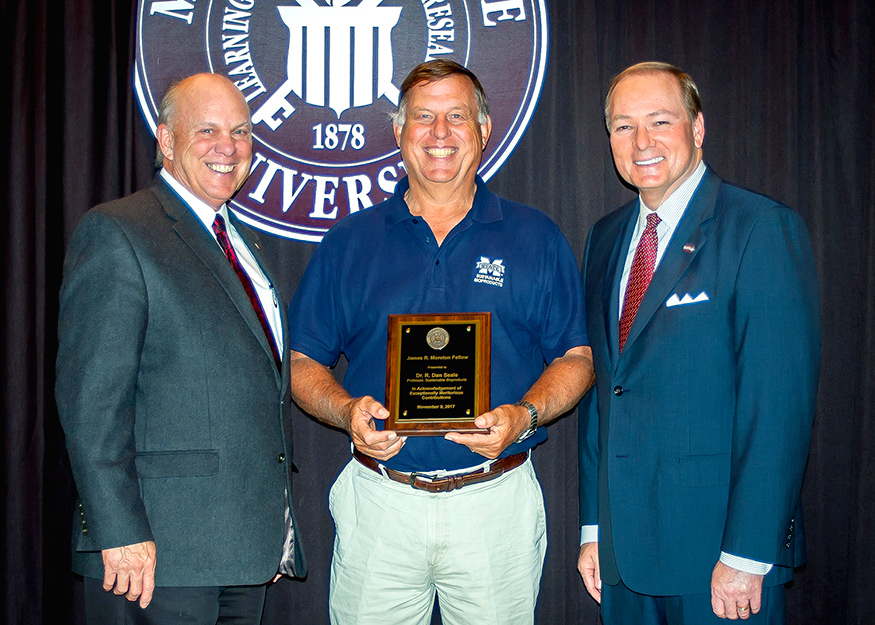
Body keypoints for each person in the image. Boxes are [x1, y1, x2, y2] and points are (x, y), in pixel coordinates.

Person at [286, 59, 594, 625]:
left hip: (494, 503)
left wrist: (523, 415)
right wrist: (347, 410)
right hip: (379, 501)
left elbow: (575, 358)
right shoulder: (351, 241)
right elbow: (304, 361)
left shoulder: (536, 236)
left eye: (456, 117)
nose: (440, 134)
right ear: (399, 132)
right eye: (423, 118)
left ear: (484, 129)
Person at [56, 73, 305, 625]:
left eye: (240, 132)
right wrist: (116, 532)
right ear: (166, 141)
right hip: (155, 556)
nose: (228, 147)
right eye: (207, 130)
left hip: (241, 551)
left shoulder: (243, 241)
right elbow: (91, 401)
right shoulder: (119, 231)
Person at [577, 62, 820, 624]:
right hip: (622, 555)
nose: (641, 142)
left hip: (719, 558)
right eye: (622, 126)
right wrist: (595, 527)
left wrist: (749, 553)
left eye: (660, 121)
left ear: (698, 128)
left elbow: (778, 406)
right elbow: (602, 392)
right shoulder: (605, 237)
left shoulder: (759, 228)